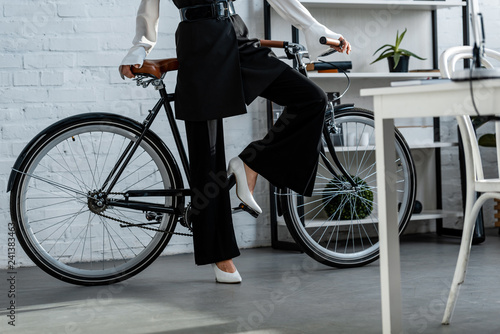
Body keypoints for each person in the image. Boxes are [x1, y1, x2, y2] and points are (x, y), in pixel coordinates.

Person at [119, 0, 351, 284]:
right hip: (198, 40)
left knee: (312, 99)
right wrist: (141, 45)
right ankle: (220, 254)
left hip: (234, 33)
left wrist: (313, 28)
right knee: (208, 152)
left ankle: (251, 164)